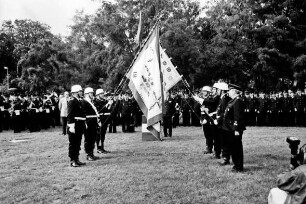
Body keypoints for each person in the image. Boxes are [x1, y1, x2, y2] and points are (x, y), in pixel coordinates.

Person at [222, 84, 246, 172]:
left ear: (234, 91)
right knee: (233, 147)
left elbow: (237, 117)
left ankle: (239, 166)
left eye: (230, 90)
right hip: (230, 128)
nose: (228, 92)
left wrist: (236, 129)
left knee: (237, 148)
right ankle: (236, 165)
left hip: (234, 129)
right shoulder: (233, 101)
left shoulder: (237, 101)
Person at [67, 85, 86, 167]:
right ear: (76, 92)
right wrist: (71, 126)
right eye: (80, 91)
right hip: (74, 124)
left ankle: (76, 159)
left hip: (79, 124)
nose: (81, 92)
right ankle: (72, 160)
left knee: (78, 143)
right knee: (73, 143)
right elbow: (70, 114)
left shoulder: (79, 101)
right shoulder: (72, 101)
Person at [82, 87, 100, 161]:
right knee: (88, 138)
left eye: (92, 93)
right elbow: (83, 113)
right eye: (91, 93)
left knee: (93, 138)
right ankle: (88, 154)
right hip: (88, 121)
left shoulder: (91, 101)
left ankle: (91, 153)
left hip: (93, 122)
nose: (92, 94)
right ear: (87, 94)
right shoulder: (84, 102)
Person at [94, 89, 113, 154]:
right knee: (99, 134)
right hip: (100, 119)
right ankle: (99, 148)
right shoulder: (95, 101)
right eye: (101, 94)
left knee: (103, 134)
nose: (103, 95)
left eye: (103, 93)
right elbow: (100, 109)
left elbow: (108, 109)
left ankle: (102, 147)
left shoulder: (104, 101)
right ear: (98, 95)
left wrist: (110, 104)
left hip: (105, 119)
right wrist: (108, 104)